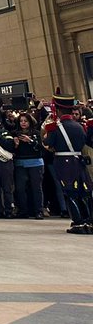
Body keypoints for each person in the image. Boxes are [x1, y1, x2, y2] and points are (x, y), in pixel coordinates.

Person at [43, 88, 92, 234]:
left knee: (70, 191)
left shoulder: (55, 127)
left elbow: (49, 143)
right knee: (84, 191)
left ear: (58, 109)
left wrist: (47, 135)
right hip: (78, 159)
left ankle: (77, 222)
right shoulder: (79, 126)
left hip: (64, 161)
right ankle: (88, 220)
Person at [11, 112, 45, 219]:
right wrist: (14, 144)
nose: (23, 123)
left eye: (25, 121)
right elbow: (11, 149)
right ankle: (23, 210)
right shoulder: (15, 133)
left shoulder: (36, 133)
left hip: (35, 162)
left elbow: (41, 147)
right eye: (21, 121)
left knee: (36, 188)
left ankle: (38, 210)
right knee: (20, 188)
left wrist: (30, 141)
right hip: (20, 163)